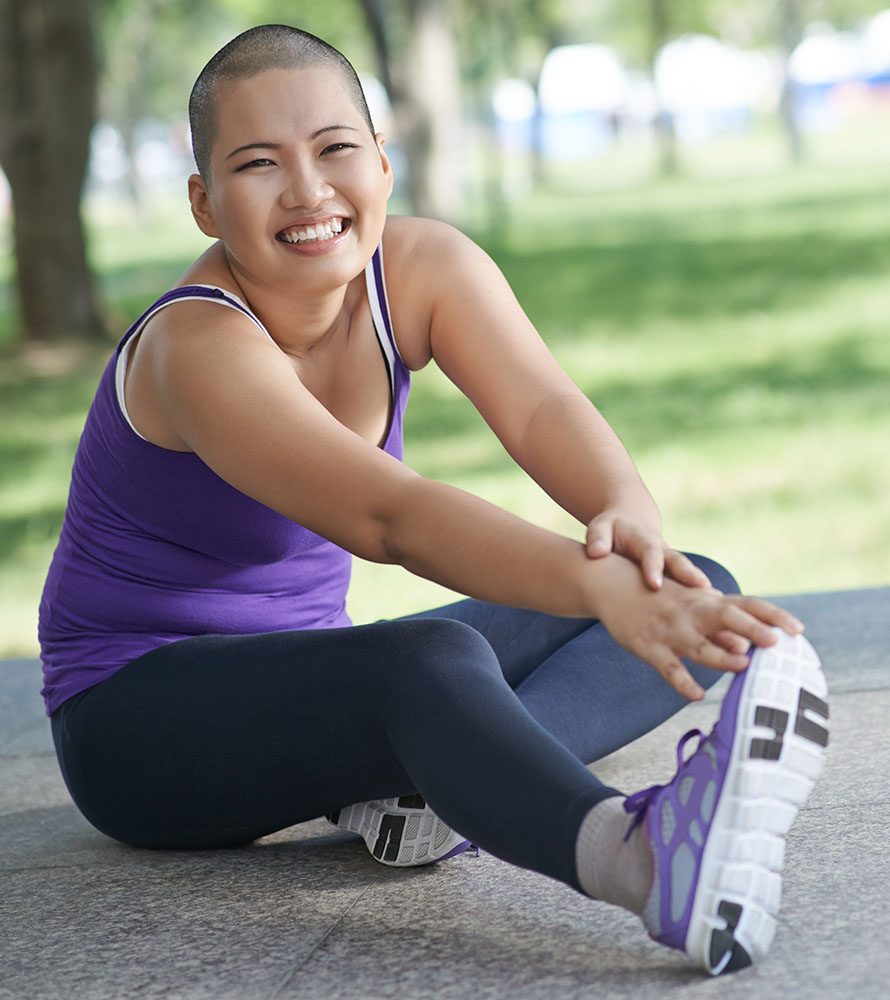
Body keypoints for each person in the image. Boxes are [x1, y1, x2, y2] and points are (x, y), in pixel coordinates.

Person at [38, 24, 830, 977]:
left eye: (335, 149)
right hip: (136, 727)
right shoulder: (196, 348)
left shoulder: (419, 268)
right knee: (433, 658)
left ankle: (441, 792)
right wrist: (603, 592)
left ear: (382, 160)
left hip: (304, 683)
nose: (307, 190)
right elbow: (390, 518)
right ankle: (646, 861)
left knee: (691, 581)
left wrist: (629, 528)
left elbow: (541, 407)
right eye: (258, 165)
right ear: (205, 203)